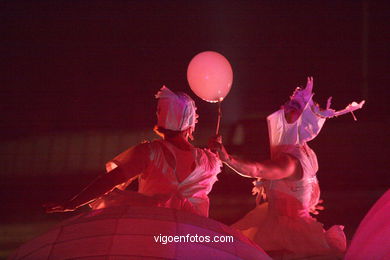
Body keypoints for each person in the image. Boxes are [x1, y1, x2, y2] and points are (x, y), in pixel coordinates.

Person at [210, 77, 364, 258]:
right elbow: (306, 187)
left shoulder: (290, 160)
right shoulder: (306, 151)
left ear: (303, 122)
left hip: (287, 235)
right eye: (289, 103)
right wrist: (305, 202)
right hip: (284, 222)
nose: (284, 106)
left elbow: (257, 170)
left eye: (294, 107)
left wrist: (227, 158)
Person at [46, 86, 222, 217]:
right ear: (191, 122)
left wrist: (74, 203)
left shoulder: (149, 152)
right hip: (193, 234)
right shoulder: (210, 161)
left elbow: (110, 180)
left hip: (150, 228)